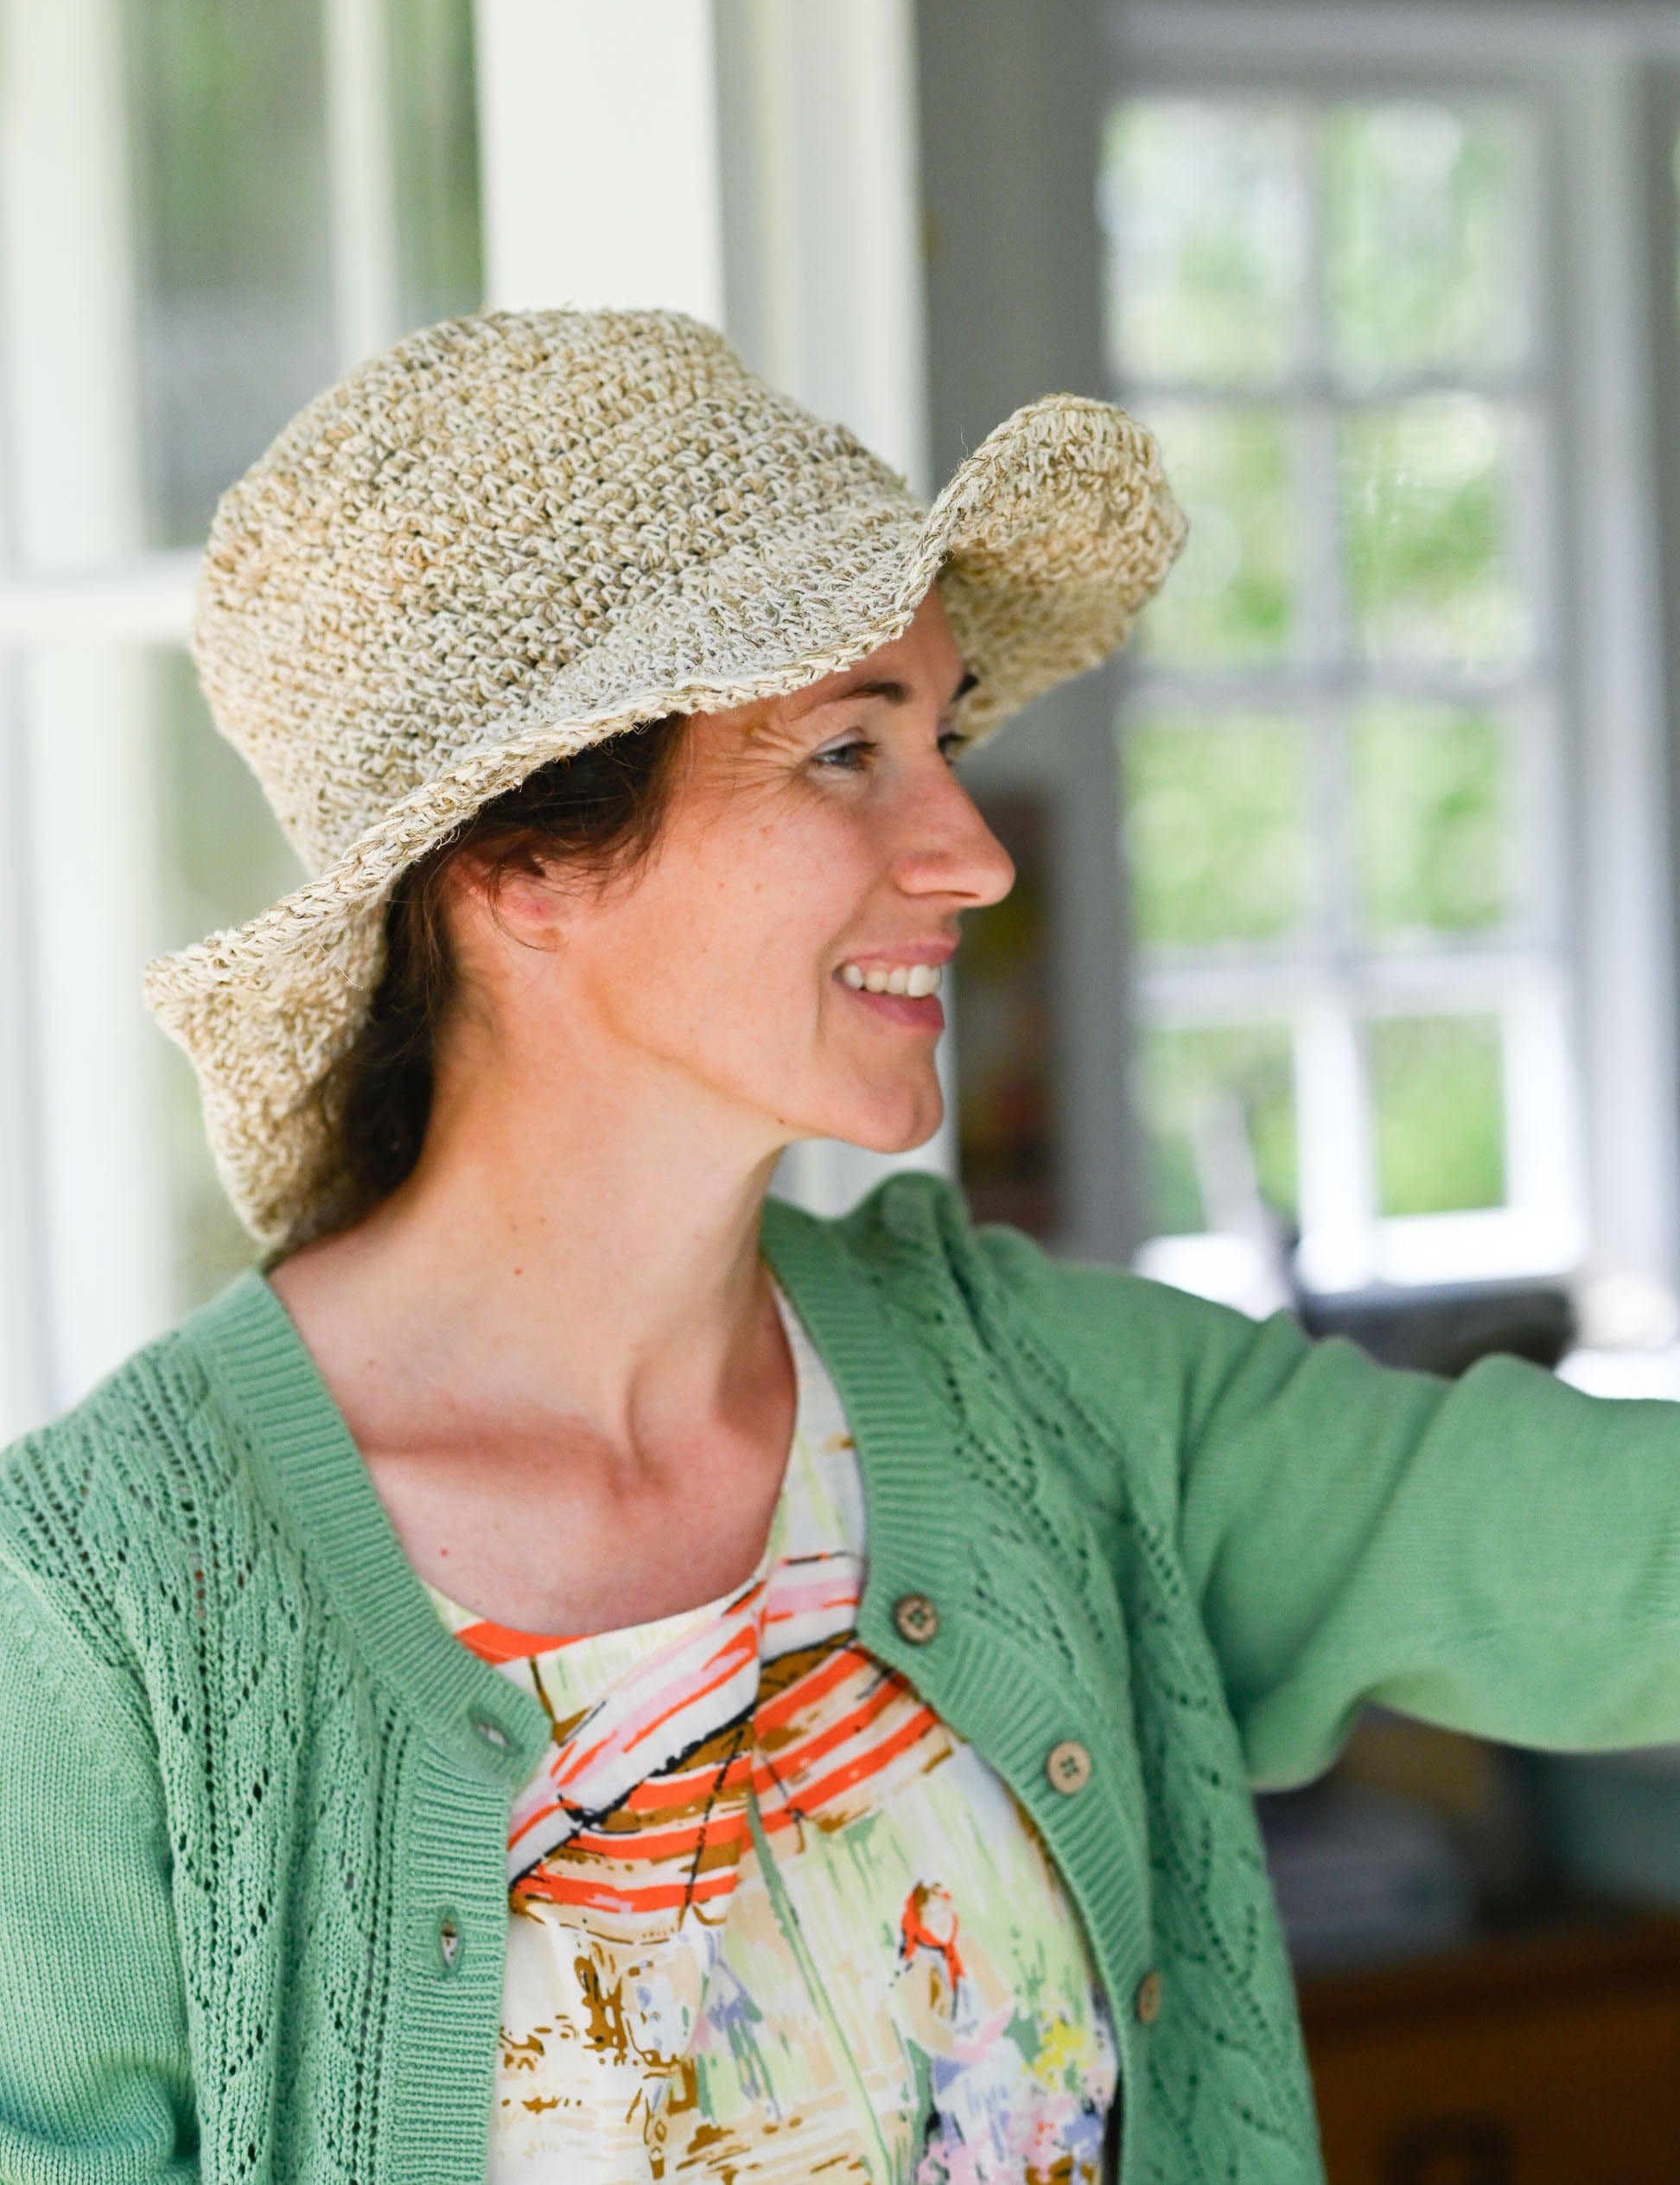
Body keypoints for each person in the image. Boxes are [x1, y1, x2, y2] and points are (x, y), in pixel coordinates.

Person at [2, 309, 1680, 2185]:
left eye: (937, 736)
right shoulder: (104, 1611)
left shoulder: (1047, 1395)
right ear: (520, 865)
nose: (971, 849)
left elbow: (1631, 1563)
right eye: (840, 753)